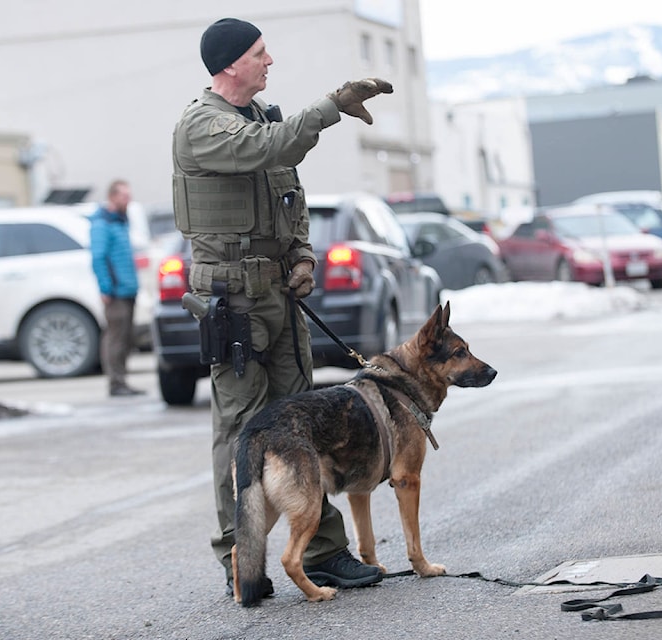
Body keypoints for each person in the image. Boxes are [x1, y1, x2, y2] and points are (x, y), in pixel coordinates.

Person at [172, 17, 393, 596]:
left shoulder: (264, 118)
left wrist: (301, 256)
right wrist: (333, 105)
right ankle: (239, 558)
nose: (270, 61)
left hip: (278, 297)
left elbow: (290, 198)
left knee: (303, 423)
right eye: (260, 53)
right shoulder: (203, 126)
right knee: (243, 430)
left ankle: (322, 550)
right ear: (229, 65)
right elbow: (267, 150)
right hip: (234, 302)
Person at [89, 179, 143, 397]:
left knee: (127, 337)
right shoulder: (102, 224)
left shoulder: (120, 222)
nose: (127, 201)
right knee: (116, 338)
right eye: (124, 196)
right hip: (116, 292)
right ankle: (115, 383)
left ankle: (122, 381)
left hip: (128, 289)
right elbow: (99, 258)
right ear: (112, 196)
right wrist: (106, 288)